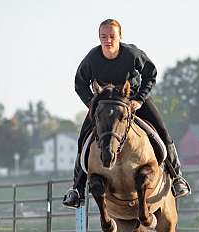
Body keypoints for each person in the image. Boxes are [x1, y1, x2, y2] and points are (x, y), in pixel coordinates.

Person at [62, 19, 191, 209]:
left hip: (133, 100)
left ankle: (177, 177)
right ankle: (77, 189)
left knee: (162, 131)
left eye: (112, 36)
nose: (108, 40)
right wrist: (92, 103)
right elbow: (79, 83)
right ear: (99, 38)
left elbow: (151, 73)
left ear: (120, 37)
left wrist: (139, 99)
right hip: (104, 106)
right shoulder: (92, 58)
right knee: (83, 139)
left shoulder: (132, 54)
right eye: (103, 37)